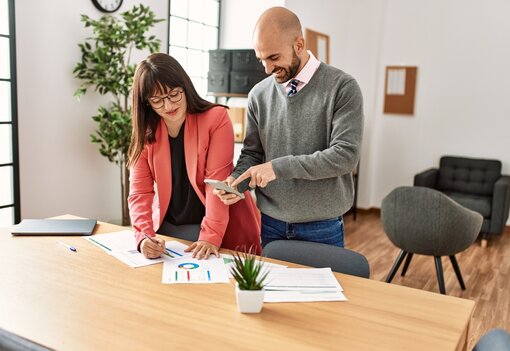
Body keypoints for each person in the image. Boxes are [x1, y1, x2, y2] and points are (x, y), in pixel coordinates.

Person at [215, 7, 363, 249]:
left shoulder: (343, 88)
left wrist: (278, 167)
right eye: (261, 59)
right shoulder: (258, 95)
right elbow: (253, 154)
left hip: (322, 225)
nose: (267, 69)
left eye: (273, 58)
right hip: (271, 223)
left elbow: (345, 157)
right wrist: (236, 183)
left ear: (299, 44)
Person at [127, 53, 261, 259]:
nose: (168, 106)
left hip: (222, 228)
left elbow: (215, 182)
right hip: (171, 231)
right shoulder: (146, 132)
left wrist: (210, 236)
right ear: (146, 103)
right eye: (157, 100)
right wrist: (144, 236)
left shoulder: (216, 118)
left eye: (173, 94)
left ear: (185, 86)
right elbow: (140, 193)